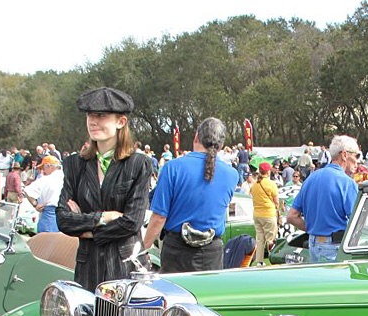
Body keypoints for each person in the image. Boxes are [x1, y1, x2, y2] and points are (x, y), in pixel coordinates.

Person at [54, 88, 152, 291]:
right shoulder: (74, 164)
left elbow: (132, 222)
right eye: (90, 115)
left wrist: (89, 232)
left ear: (120, 122)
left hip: (126, 267)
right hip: (88, 270)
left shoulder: (138, 164)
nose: (92, 121)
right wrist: (104, 217)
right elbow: (63, 220)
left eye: (101, 115)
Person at [142, 117, 238, 273]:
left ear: (196, 137)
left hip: (176, 251)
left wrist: (143, 249)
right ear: (221, 145)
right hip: (211, 252)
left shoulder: (172, 167)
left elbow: (159, 217)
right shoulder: (232, 175)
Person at [285, 134, 361, 263]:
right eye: (356, 156)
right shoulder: (347, 183)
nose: (358, 161)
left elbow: (291, 216)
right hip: (335, 246)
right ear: (344, 155)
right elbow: (357, 222)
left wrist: (312, 229)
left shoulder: (311, 179)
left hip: (313, 243)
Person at [250, 161, 280, 265]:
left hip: (257, 214)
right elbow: (276, 201)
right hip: (268, 214)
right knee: (271, 240)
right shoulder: (271, 184)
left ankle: (259, 261)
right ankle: (273, 260)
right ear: (268, 172)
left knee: (260, 240)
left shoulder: (254, 184)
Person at [24, 154, 63, 232]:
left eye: (43, 168)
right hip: (66, 214)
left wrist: (35, 204)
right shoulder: (67, 178)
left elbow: (27, 191)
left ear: (49, 166)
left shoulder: (45, 179)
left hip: (49, 214)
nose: (43, 171)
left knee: (45, 241)